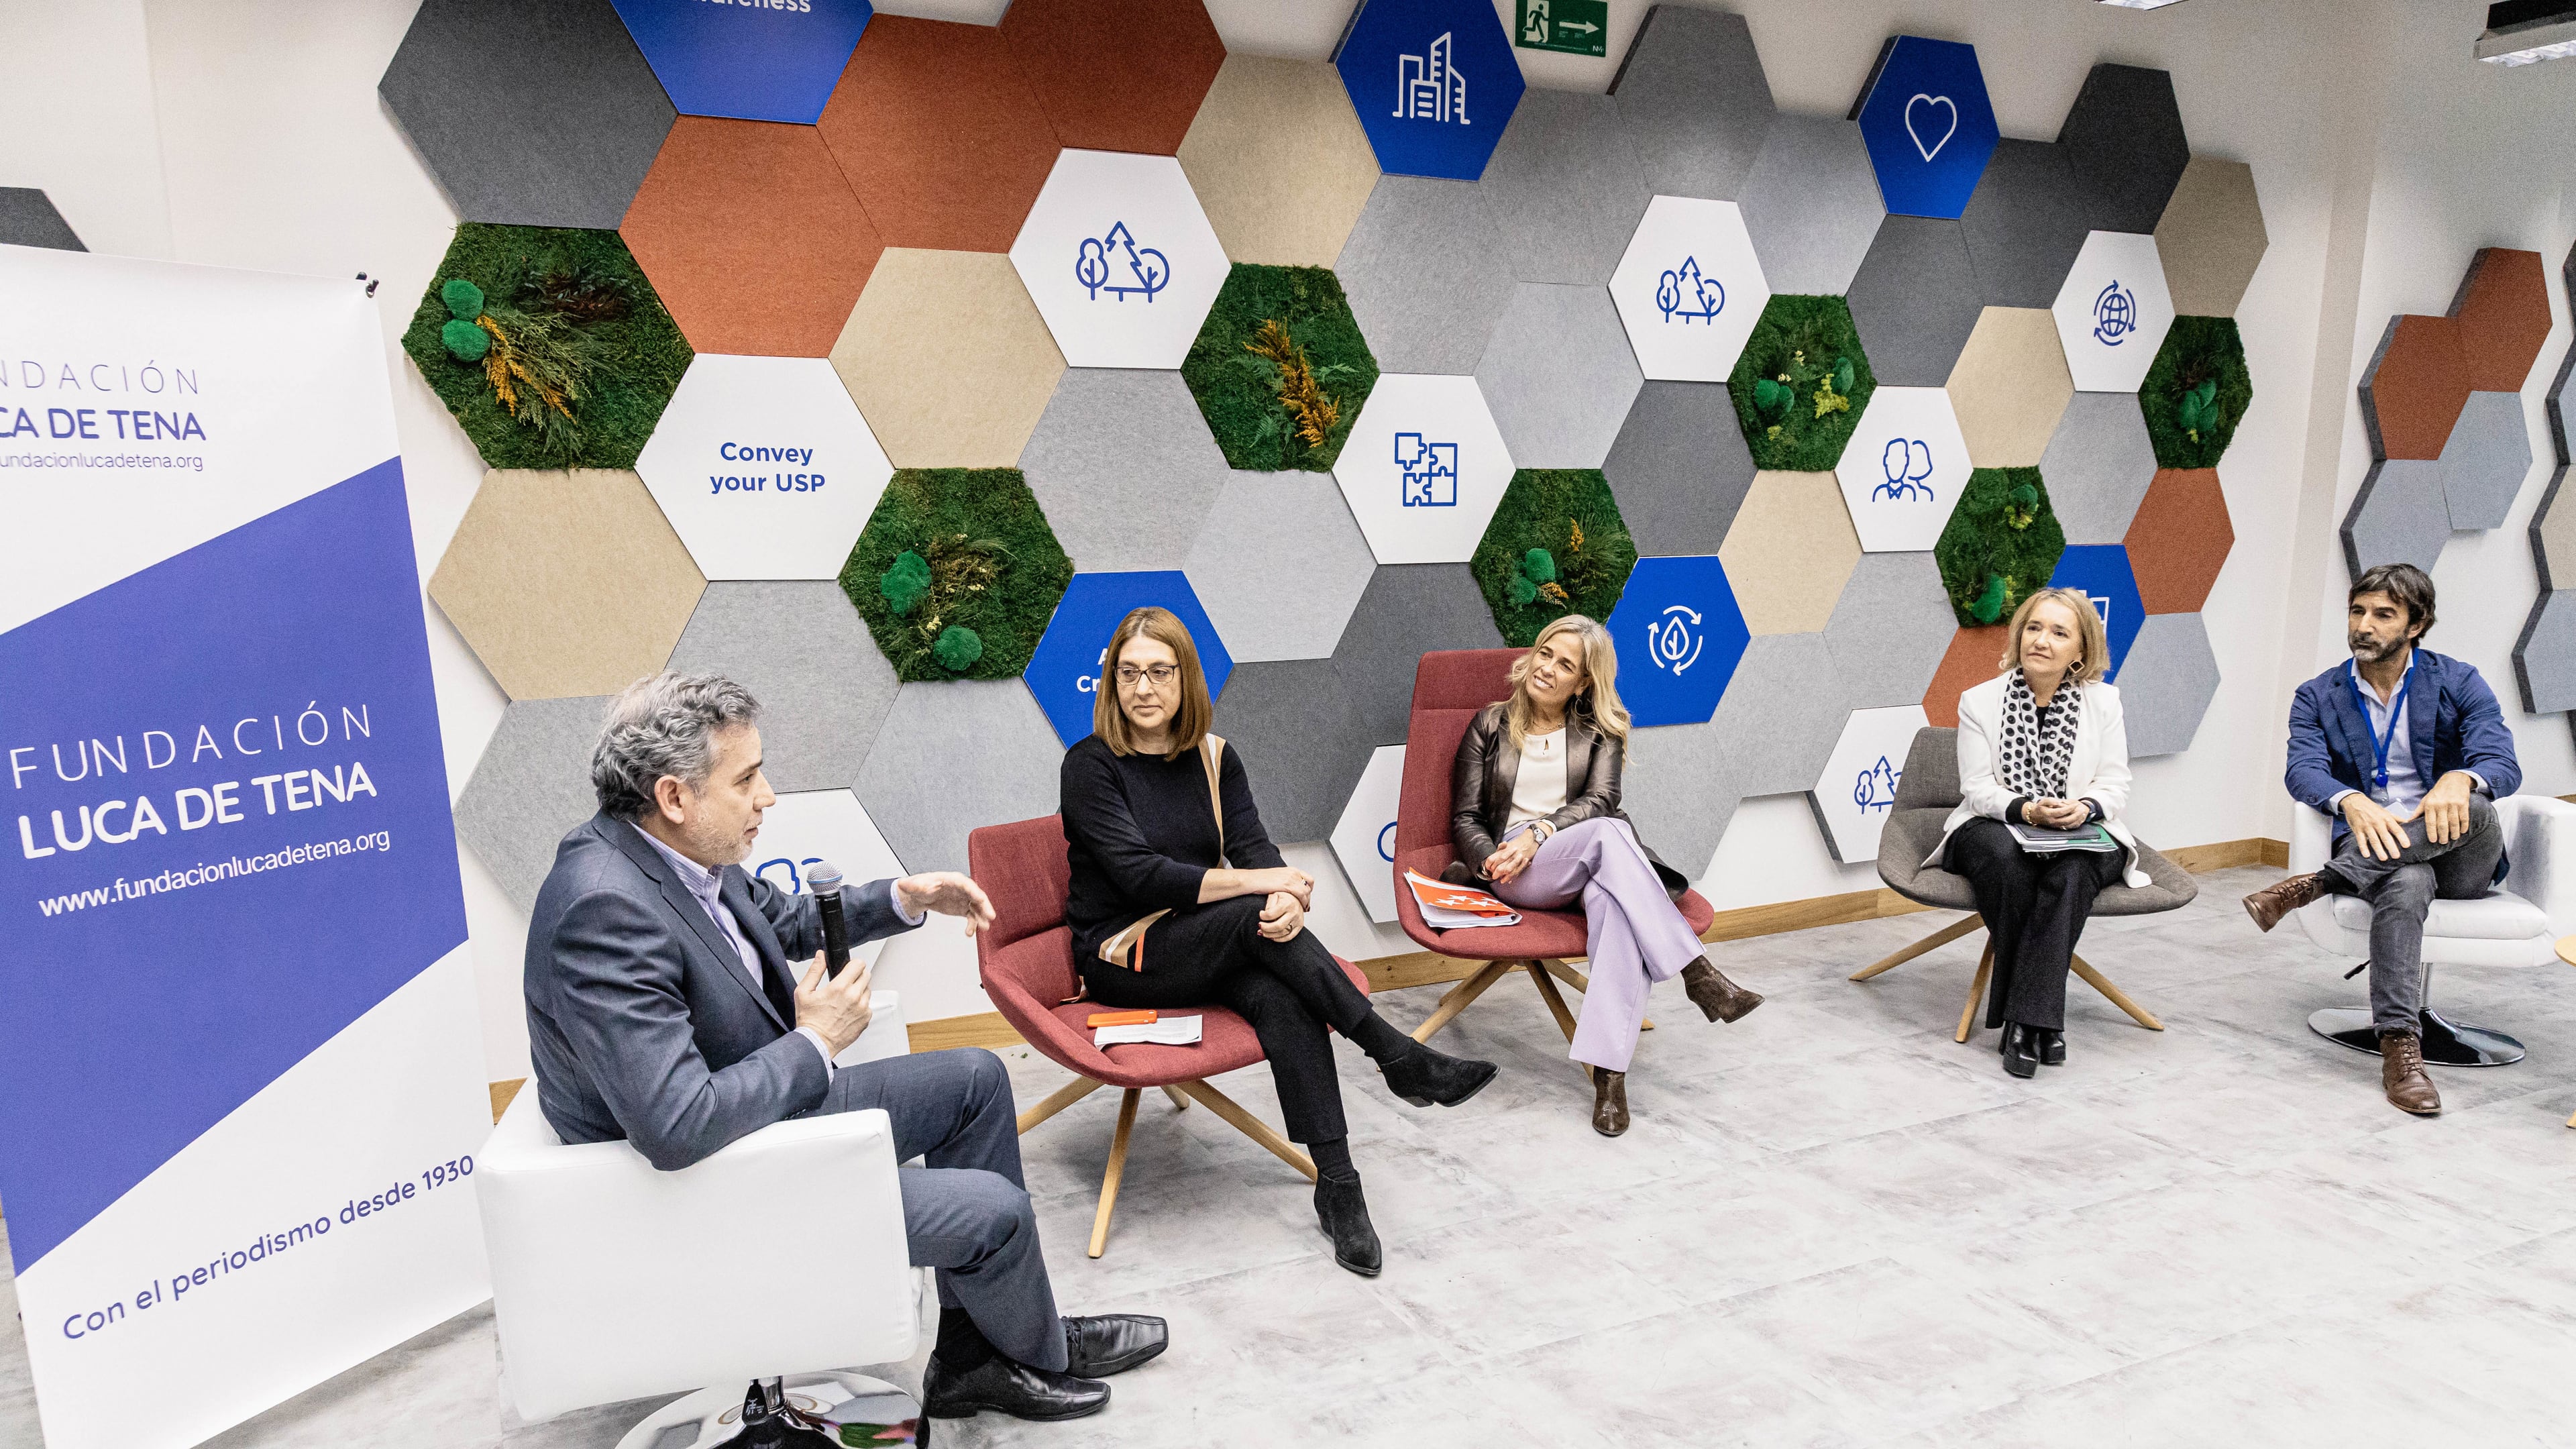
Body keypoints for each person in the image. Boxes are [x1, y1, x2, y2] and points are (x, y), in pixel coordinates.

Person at [524, 673, 1165, 1426]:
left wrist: (904, 899)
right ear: (674, 796)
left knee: (977, 1079)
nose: (767, 797)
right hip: (702, 1182)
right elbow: (674, 1126)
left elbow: (784, 921)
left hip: (754, 1118)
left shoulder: (679, 858)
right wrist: (816, 1041)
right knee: (995, 1213)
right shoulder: (603, 908)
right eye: (747, 779)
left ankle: (978, 1357)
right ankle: (1037, 1351)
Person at [1060, 607, 1497, 1279]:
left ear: (1186, 678)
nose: (1143, 688)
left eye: (1159, 672)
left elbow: (1252, 845)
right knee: (1248, 914)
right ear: (1111, 682)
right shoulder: (1090, 765)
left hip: (1205, 943)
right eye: (1128, 673)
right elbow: (1141, 876)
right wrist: (1270, 885)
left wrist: (1287, 900)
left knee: (1283, 996)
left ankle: (1340, 1185)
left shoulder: (1215, 757)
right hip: (1126, 954)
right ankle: (1394, 1053)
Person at [1444, 614, 1765, 1137]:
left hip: (1580, 856)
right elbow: (1465, 817)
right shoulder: (1489, 724)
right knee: (1609, 834)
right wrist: (1492, 858)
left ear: (1583, 682)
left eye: (1564, 664)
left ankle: (1610, 1078)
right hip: (1514, 868)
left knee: (1615, 905)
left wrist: (1541, 831)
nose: (1547, 668)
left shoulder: (1600, 731)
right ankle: (1696, 972)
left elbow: (1601, 800)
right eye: (1545, 653)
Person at [2242, 563, 2520, 1116]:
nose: (2364, 625)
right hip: (2376, 850)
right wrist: (2349, 799)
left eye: (2383, 614)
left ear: (2416, 625)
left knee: (2475, 805)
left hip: (2461, 856)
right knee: (2407, 878)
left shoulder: (2459, 681)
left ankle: (2319, 884)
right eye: (2357, 611)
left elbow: (2502, 763)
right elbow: (2303, 770)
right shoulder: (2318, 694)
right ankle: (2400, 1048)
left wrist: (2460, 778)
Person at [1931, 588, 2149, 1080]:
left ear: (2081, 649)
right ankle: (2041, 1023)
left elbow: (2115, 783)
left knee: (2069, 875)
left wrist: (2084, 807)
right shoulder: (1979, 701)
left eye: (2059, 632)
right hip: (1996, 824)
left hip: (2082, 829)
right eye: (2034, 627)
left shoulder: (2104, 702)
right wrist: (2027, 810)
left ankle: (2023, 1022)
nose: (2042, 641)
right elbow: (1977, 788)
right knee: (2010, 867)